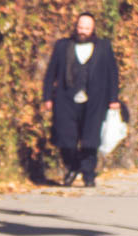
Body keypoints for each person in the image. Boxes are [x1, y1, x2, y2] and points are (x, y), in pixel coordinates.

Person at [42, 13, 121, 187]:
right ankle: (73, 166)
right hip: (65, 99)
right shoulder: (62, 46)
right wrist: (47, 97)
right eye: (80, 27)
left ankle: (89, 174)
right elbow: (50, 73)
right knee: (65, 138)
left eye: (86, 28)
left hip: (95, 100)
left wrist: (113, 99)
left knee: (90, 139)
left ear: (93, 29)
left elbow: (112, 74)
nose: (82, 31)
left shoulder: (104, 47)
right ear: (75, 27)